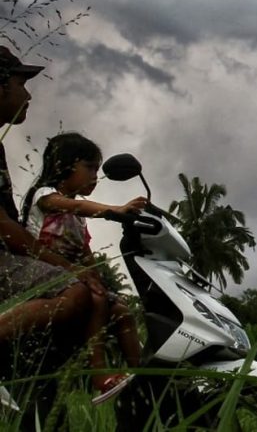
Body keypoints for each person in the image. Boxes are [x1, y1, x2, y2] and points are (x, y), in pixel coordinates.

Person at [21, 132, 147, 399]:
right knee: (99, 301)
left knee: (123, 311)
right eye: (89, 167)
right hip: (41, 272)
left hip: (71, 276)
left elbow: (85, 251)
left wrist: (96, 277)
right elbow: (73, 205)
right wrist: (114, 210)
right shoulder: (46, 196)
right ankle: (99, 375)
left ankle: (145, 377)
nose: (95, 176)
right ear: (64, 165)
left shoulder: (78, 219)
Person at [0, 46, 95, 374]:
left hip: (9, 259)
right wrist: (67, 267)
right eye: (21, 84)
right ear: (1, 87)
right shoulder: (48, 196)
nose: (28, 95)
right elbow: (2, 226)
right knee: (72, 291)